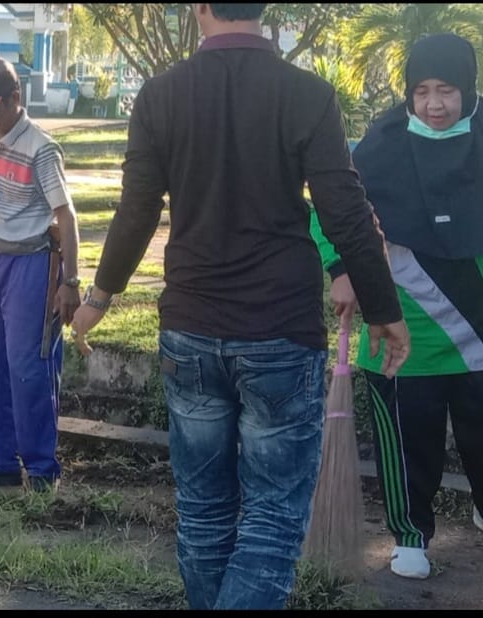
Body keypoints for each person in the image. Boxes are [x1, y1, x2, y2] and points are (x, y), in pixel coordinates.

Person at [69, 3, 411, 610]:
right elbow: (345, 211)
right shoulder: (307, 94)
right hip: (281, 330)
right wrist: (385, 310)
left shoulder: (160, 95)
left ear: (199, 8)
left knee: (203, 511)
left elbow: (137, 210)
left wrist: (100, 296)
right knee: (273, 519)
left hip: (190, 329)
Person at [311, 33, 483, 580]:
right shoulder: (378, 146)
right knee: (409, 443)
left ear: (469, 88)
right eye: (421, 91)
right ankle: (411, 536)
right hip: (401, 331)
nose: (434, 105)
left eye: (447, 90)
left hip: (479, 330)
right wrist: (340, 270)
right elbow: (329, 211)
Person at [0, 58, 81, 493]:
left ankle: (41, 470)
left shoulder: (41, 148)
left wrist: (70, 282)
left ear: (15, 99)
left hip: (31, 264)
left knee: (29, 368)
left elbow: (67, 217)